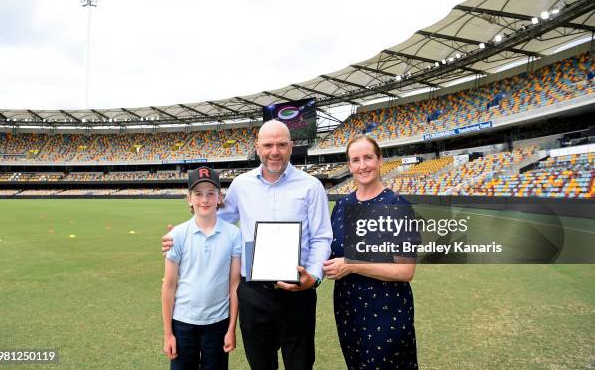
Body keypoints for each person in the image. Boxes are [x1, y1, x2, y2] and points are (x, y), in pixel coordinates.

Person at [163, 120, 332, 370]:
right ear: (257, 147)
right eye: (268, 145)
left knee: (300, 363)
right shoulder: (242, 185)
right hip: (254, 294)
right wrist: (180, 233)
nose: (274, 151)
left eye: (281, 145)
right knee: (260, 364)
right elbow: (214, 217)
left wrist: (314, 277)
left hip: (297, 291)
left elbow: (321, 237)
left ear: (291, 147)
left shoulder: (311, 186)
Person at [322, 135, 420, 369]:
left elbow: (406, 271)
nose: (362, 165)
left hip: (386, 310)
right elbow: (331, 252)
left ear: (380, 160)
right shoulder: (342, 205)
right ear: (349, 166)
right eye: (355, 160)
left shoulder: (397, 205)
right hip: (348, 309)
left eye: (368, 157)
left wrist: (352, 264)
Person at [161, 166, 241, 370]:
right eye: (198, 194)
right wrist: (168, 333)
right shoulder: (177, 234)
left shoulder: (233, 234)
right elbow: (169, 286)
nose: (204, 199)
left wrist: (231, 328)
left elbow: (234, 285)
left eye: (210, 193)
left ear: (219, 198)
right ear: (189, 199)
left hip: (218, 323)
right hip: (183, 323)